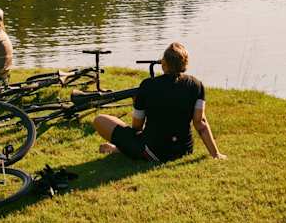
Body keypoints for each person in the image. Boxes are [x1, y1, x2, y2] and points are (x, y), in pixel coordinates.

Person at [92, 42, 226, 162]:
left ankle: (119, 149)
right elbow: (200, 123)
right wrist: (216, 154)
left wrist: (137, 105)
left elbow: (137, 127)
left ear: (164, 63)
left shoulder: (147, 85)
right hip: (184, 150)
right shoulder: (197, 85)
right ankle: (118, 149)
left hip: (153, 152)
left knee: (100, 120)